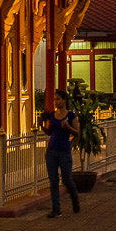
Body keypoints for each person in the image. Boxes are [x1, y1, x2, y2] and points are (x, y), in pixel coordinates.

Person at [42, 89, 80, 218]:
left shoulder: (71, 116)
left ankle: (74, 197)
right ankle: (56, 208)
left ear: (64, 100)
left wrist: (67, 127)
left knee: (66, 179)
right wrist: (42, 124)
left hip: (64, 150)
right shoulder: (52, 115)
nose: (55, 102)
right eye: (54, 99)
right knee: (53, 181)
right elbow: (49, 132)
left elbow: (77, 132)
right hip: (51, 150)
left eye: (58, 99)